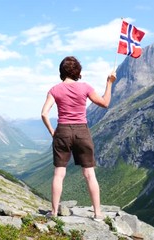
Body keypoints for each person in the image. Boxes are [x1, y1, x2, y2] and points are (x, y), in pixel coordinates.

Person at [41, 56, 116, 221]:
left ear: (61, 72)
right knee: (89, 173)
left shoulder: (54, 90)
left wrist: (53, 131)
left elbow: (44, 113)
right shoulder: (85, 88)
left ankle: (53, 212)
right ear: (78, 72)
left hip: (62, 131)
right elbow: (105, 103)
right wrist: (109, 83)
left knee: (59, 173)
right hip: (82, 131)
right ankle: (97, 214)